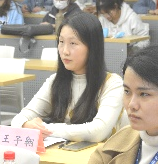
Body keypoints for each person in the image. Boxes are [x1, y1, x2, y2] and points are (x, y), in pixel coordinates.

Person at [11, 13, 124, 142]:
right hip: (63, 152)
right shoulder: (55, 81)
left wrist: (44, 128)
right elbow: (18, 119)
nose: (65, 51)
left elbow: (98, 132)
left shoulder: (112, 84)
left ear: (92, 47)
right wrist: (25, 124)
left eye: (73, 43)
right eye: (61, 42)